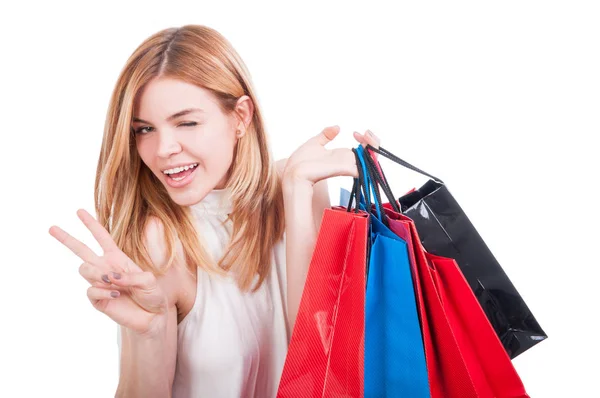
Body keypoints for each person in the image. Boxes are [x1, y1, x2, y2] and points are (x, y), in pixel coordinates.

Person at [48, 24, 380, 398]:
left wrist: (298, 191)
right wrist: (149, 333)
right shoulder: (160, 241)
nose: (162, 149)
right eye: (144, 130)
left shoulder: (300, 189)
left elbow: (324, 366)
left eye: (186, 122)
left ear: (240, 117)